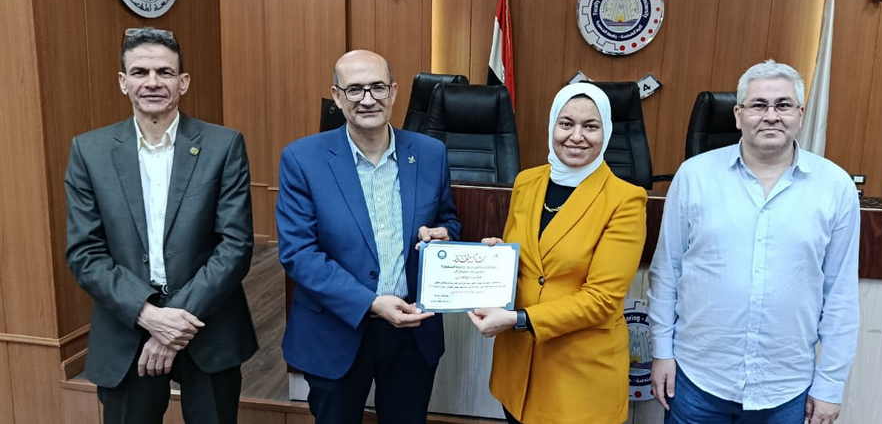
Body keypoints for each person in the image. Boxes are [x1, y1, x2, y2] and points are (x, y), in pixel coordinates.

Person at [647, 60, 860, 424]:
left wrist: (830, 384)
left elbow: (840, 293)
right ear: (738, 115)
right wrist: (662, 351)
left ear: (800, 114)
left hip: (786, 386)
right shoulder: (695, 176)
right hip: (697, 378)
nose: (771, 116)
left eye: (783, 105)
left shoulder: (835, 186)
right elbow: (667, 271)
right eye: (759, 105)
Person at [65, 27, 257, 423]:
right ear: (123, 82)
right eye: (140, 72)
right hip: (126, 327)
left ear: (182, 82)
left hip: (207, 323)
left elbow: (235, 246)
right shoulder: (89, 151)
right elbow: (85, 253)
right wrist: (148, 315)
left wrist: (174, 322)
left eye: (164, 72)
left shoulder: (223, 145)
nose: (152, 82)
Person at [275, 50, 461, 424]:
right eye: (355, 89)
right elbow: (299, 253)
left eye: (377, 87)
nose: (368, 99)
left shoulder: (430, 153)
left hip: (411, 329)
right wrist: (371, 303)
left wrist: (443, 235)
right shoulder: (302, 159)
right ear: (337, 95)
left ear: (393, 91)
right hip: (335, 329)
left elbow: (448, 220)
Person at [468, 82, 647, 424]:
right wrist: (499, 259)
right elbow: (530, 261)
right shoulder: (527, 182)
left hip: (579, 376)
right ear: (552, 125)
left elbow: (602, 299)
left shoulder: (625, 200)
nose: (576, 136)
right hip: (518, 368)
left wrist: (520, 319)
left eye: (590, 126)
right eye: (566, 124)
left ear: (606, 132)